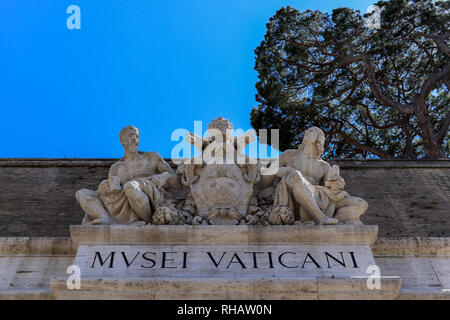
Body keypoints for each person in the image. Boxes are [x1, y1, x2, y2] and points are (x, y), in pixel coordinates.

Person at [259, 127, 368, 225]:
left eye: (311, 131)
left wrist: (338, 183)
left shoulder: (324, 166)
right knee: (295, 175)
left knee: (361, 204)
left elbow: (331, 189)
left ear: (319, 139)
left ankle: (338, 224)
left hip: (319, 197)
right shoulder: (289, 155)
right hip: (296, 198)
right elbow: (264, 181)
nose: (306, 132)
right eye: (306, 130)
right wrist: (281, 170)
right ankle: (321, 218)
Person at [75, 126, 181, 225]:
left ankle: (149, 221)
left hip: (147, 197)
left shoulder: (152, 157)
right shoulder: (115, 168)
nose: (135, 139)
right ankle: (105, 218)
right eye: (131, 135)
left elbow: (178, 184)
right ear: (122, 141)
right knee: (82, 194)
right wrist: (105, 187)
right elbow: (112, 190)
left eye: (137, 136)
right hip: (122, 201)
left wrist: (166, 176)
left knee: (130, 187)